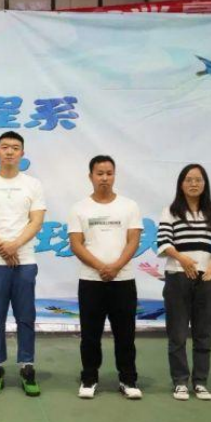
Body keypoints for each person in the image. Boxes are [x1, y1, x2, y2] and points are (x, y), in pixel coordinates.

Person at [0, 131, 46, 397]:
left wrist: (15, 245)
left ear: (22, 153)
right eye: (5, 147)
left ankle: (27, 366)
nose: (10, 151)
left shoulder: (33, 185)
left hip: (25, 261)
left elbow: (36, 221)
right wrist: (3, 246)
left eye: (15, 147)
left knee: (26, 316)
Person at [68, 155, 143, 400]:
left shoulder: (129, 206)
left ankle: (128, 379)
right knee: (90, 334)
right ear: (90, 176)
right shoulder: (79, 208)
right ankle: (89, 378)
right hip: (91, 280)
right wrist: (101, 267)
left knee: (125, 334)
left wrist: (116, 267)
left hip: (123, 280)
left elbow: (133, 240)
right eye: (99, 173)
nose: (104, 178)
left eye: (109, 173)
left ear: (114, 176)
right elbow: (76, 244)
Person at [157, 164, 211, 401]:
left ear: (205, 184)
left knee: (203, 333)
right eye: (189, 179)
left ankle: (200, 382)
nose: (194, 184)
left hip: (206, 278)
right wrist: (182, 259)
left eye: (198, 179)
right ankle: (180, 382)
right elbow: (164, 242)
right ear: (181, 184)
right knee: (177, 334)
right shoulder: (170, 211)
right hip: (178, 276)